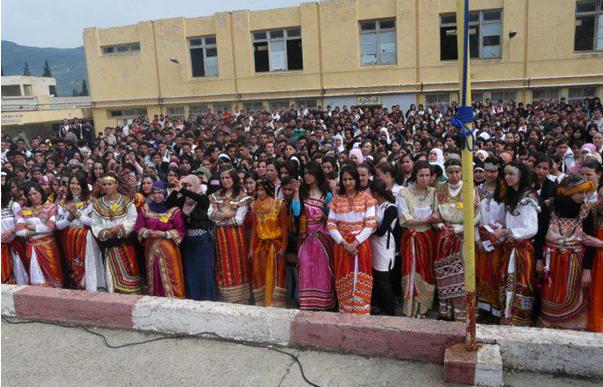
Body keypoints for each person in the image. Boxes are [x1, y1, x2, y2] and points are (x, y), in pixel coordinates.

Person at [536, 174, 595, 330]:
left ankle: (574, 331)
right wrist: (539, 260)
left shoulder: (586, 211)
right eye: (579, 192)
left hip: (574, 265)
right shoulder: (550, 208)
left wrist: (587, 271)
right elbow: (540, 235)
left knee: (574, 298)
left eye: (585, 192)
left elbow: (589, 244)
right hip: (551, 265)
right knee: (549, 297)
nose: (583, 196)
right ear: (567, 192)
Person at [433, 159, 480, 321]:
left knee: (463, 273)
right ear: (446, 173)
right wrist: (440, 225)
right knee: (444, 272)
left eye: (457, 171)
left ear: (462, 172)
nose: (454, 175)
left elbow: (476, 215)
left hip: (462, 235)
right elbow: (435, 212)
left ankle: (463, 313)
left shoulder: (469, 190)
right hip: (444, 235)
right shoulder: (440, 190)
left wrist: (459, 229)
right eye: (451, 172)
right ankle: (447, 312)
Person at [493, 162, 540, 326]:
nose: (507, 177)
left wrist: (506, 232)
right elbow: (515, 222)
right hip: (511, 247)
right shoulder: (514, 195)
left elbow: (531, 228)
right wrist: (502, 226)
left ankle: (518, 319)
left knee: (519, 283)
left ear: (521, 176)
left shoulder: (528, 198)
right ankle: (508, 317)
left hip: (521, 249)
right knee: (509, 283)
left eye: (511, 174)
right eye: (505, 174)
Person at [327, 164, 377, 314]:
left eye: (351, 179)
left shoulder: (367, 198)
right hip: (342, 245)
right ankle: (345, 311)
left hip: (360, 244)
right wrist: (344, 243)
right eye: (344, 179)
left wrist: (354, 243)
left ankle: (362, 313)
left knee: (361, 276)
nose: (348, 182)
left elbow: (370, 224)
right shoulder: (337, 200)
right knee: (343, 276)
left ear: (356, 180)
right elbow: (330, 224)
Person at [397, 161, 438, 318]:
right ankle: (410, 308)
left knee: (426, 271)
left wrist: (429, 219)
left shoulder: (434, 192)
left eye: (428, 175)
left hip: (428, 238)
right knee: (411, 269)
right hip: (412, 237)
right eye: (421, 175)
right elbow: (406, 218)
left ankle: (423, 309)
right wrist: (428, 219)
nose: (425, 179)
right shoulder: (404, 192)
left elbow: (438, 214)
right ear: (415, 175)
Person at [292, 161, 335, 310]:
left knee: (322, 270)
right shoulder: (302, 193)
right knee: (305, 268)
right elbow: (297, 212)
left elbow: (332, 218)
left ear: (317, 175)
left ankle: (323, 303)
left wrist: (323, 218)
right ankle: (307, 302)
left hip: (322, 238)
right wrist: (296, 191)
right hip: (305, 238)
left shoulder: (327, 195)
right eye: (305, 173)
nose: (307, 176)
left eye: (310, 173)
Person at [91, 173, 142, 294]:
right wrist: (105, 232)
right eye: (104, 184)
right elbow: (95, 223)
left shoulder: (126, 201)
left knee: (130, 270)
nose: (107, 187)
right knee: (110, 275)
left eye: (110, 184)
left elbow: (133, 219)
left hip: (125, 243)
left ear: (116, 184)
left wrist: (120, 229)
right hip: (108, 245)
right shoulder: (98, 203)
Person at [167, 174, 215, 301]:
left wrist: (182, 189)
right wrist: (176, 191)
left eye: (190, 185)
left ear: (196, 185)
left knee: (204, 273)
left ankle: (208, 301)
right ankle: (194, 300)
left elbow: (198, 199)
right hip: (188, 243)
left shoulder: (203, 199)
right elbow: (168, 204)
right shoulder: (183, 200)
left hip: (202, 242)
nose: (187, 188)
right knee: (190, 273)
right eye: (185, 185)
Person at [208, 168, 252, 303]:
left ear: (234, 178)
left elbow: (239, 220)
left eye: (228, 178)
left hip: (236, 236)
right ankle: (226, 296)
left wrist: (218, 216)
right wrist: (226, 214)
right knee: (223, 263)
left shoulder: (242, 196)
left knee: (237, 263)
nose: (225, 180)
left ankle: (241, 298)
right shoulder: (216, 195)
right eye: (222, 178)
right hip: (220, 236)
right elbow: (210, 215)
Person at [135, 181, 185, 298]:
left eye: (160, 193)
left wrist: (163, 234)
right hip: (151, 248)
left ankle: (174, 299)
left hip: (169, 248)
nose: (157, 195)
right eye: (154, 193)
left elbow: (180, 231)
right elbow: (138, 227)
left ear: (165, 193)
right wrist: (147, 232)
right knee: (154, 273)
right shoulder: (145, 209)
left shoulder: (173, 209)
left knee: (172, 274)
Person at [56, 171, 105, 291]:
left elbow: (95, 222)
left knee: (88, 263)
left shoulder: (91, 201)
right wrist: (70, 218)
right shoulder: (63, 203)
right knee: (72, 265)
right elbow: (58, 225)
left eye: (78, 183)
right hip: (69, 238)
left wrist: (77, 214)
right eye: (72, 183)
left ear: (83, 185)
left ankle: (91, 288)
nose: (74, 186)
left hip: (86, 238)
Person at [249, 178, 289, 307]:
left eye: (262, 190)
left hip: (275, 245)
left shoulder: (279, 204)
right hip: (261, 246)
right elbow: (255, 230)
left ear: (268, 190)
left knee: (276, 273)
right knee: (259, 273)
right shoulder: (255, 206)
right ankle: (262, 302)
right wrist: (251, 249)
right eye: (258, 190)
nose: (260, 193)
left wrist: (283, 247)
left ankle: (275, 303)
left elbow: (284, 228)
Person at [15, 182, 63, 287]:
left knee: (54, 278)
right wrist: (40, 229)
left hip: (48, 247)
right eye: (29, 195)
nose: (33, 197)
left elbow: (51, 227)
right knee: (37, 280)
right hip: (32, 248)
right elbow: (18, 231)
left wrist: (30, 227)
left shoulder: (51, 207)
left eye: (35, 193)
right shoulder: (24, 210)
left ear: (40, 192)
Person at [475, 157, 506, 321]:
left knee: (496, 274)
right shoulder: (477, 190)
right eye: (486, 170)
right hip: (481, 238)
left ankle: (496, 310)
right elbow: (473, 216)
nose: (489, 174)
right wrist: (478, 239)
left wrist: (499, 234)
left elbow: (508, 216)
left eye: (493, 171)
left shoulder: (505, 191)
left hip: (499, 239)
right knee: (481, 273)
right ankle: (482, 308)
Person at [369, 179, 398, 316]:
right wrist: (374, 225)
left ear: (375, 193)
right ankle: (379, 305)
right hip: (373, 246)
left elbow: (381, 231)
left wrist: (371, 226)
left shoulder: (390, 208)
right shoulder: (374, 206)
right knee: (376, 278)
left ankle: (390, 312)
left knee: (384, 280)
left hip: (384, 247)